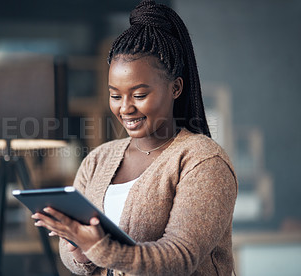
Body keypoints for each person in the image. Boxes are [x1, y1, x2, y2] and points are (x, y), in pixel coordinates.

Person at [32, 0, 238, 275]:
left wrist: (101, 248)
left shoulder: (203, 161)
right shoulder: (98, 160)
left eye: (139, 95)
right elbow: (76, 259)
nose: (125, 107)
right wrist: (80, 250)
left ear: (175, 87)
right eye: (115, 96)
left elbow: (180, 256)